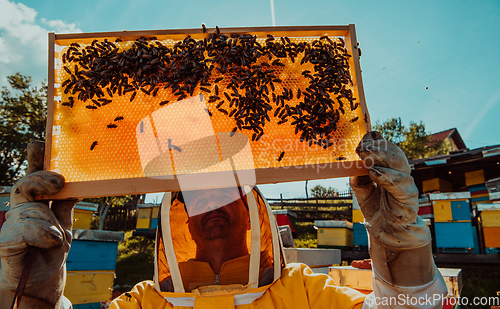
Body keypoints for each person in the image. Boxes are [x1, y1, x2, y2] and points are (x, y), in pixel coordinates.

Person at [0, 132, 448, 308]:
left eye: (224, 192)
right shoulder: (142, 304)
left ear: (253, 209)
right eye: (194, 198)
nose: (209, 204)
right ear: (178, 220)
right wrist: (31, 295)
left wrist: (402, 249)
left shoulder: (306, 294)